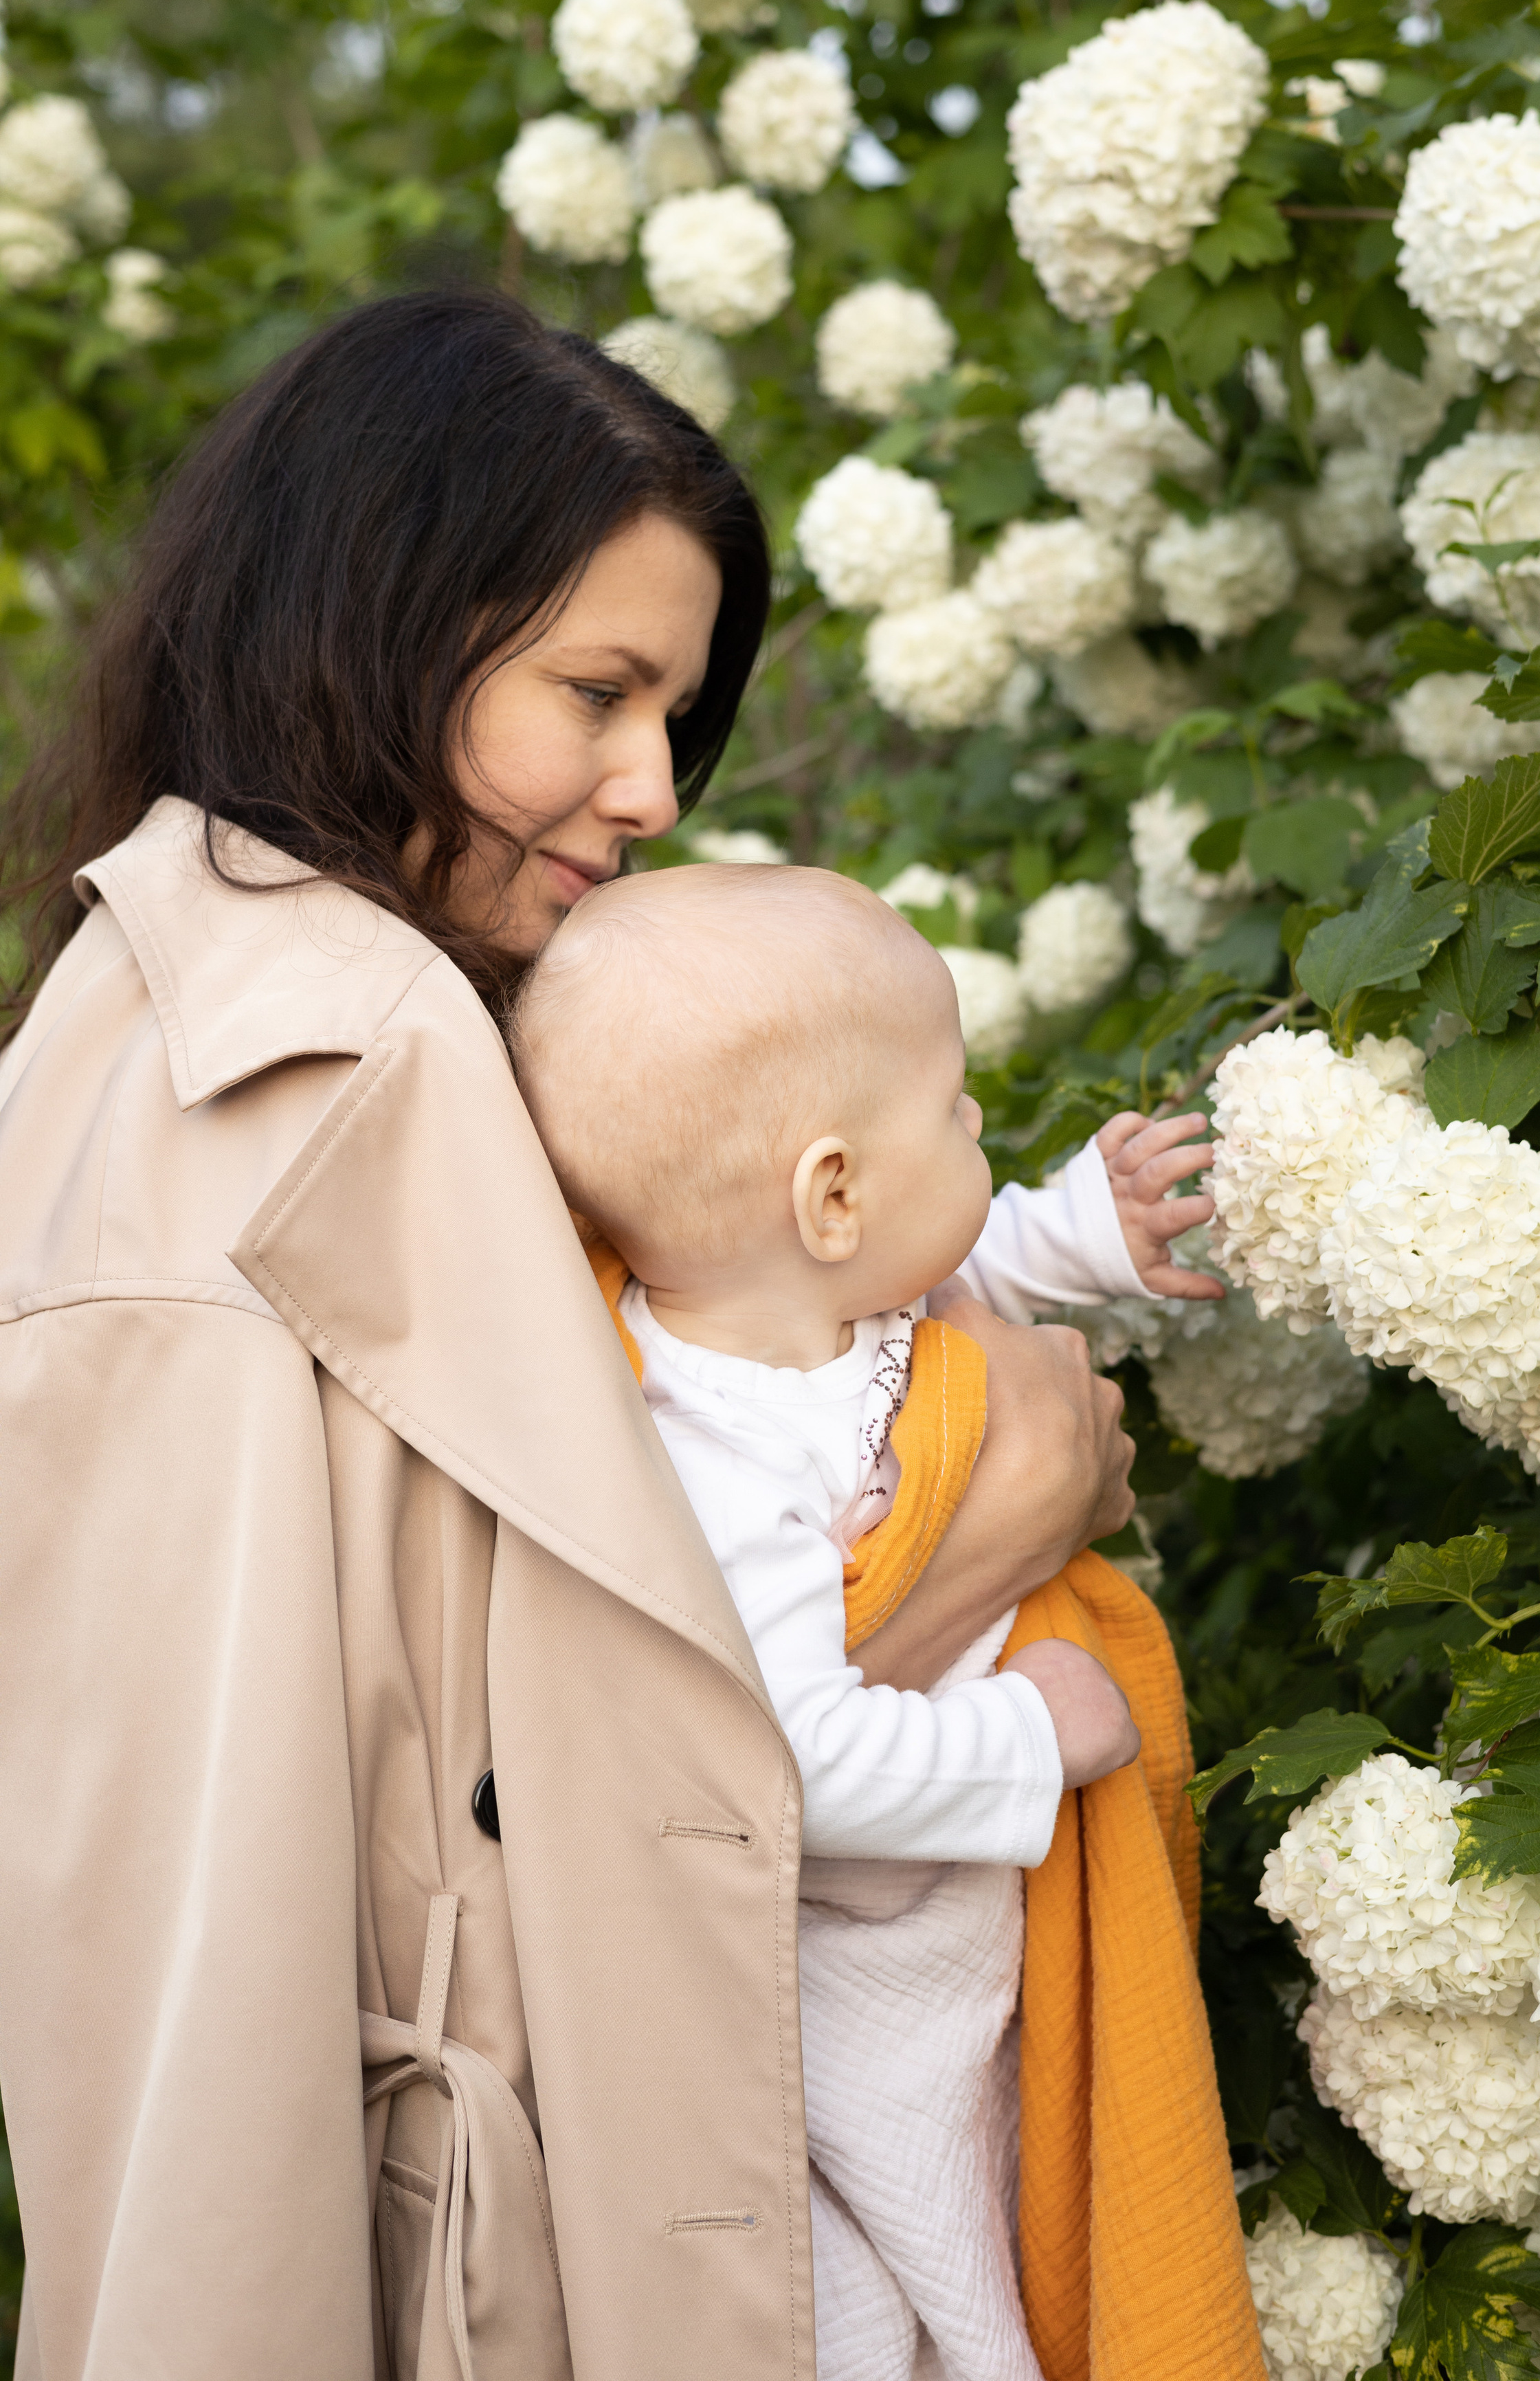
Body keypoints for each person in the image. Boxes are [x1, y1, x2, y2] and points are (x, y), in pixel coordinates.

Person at [0, 289, 1145, 2381]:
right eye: (595, 691)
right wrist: (997, 1530)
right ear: (374, 620)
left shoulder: (379, 1035)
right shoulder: (266, 1094)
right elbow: (200, 1957)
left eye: (673, 719)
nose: (646, 790)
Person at [511, 861, 1263, 2381]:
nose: (981, 1132)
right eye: (958, 1114)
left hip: (954, 1903)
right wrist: (1032, 1734)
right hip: (856, 1975)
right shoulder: (722, 1460)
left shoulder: (817, 1293)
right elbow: (793, 1768)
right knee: (931, 2281)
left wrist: (1097, 1233)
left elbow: (968, 1257)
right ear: (832, 1192)